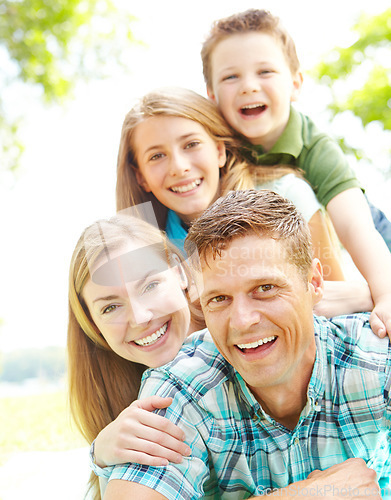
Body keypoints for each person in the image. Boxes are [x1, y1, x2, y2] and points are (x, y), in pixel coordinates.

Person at [100, 190, 390, 500]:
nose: (241, 320)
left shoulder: (374, 359)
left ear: (314, 284)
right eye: (219, 299)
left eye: (265, 288)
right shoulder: (184, 387)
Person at [201, 8, 391, 338]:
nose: (248, 86)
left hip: (363, 229)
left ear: (295, 84)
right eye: (231, 77)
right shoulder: (212, 147)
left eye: (265, 71)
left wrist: (385, 293)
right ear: (212, 95)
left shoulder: (313, 143)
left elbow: (353, 224)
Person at [116, 86, 344, 280]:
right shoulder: (152, 253)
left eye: (191, 144)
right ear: (141, 177)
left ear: (219, 151)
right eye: (157, 156)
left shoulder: (288, 197)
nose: (179, 167)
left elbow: (336, 298)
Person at [67, 212, 201, 499]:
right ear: (93, 323)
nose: (140, 318)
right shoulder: (112, 390)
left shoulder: (243, 340)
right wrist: (101, 457)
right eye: (110, 307)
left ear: (179, 271)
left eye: (150, 285)